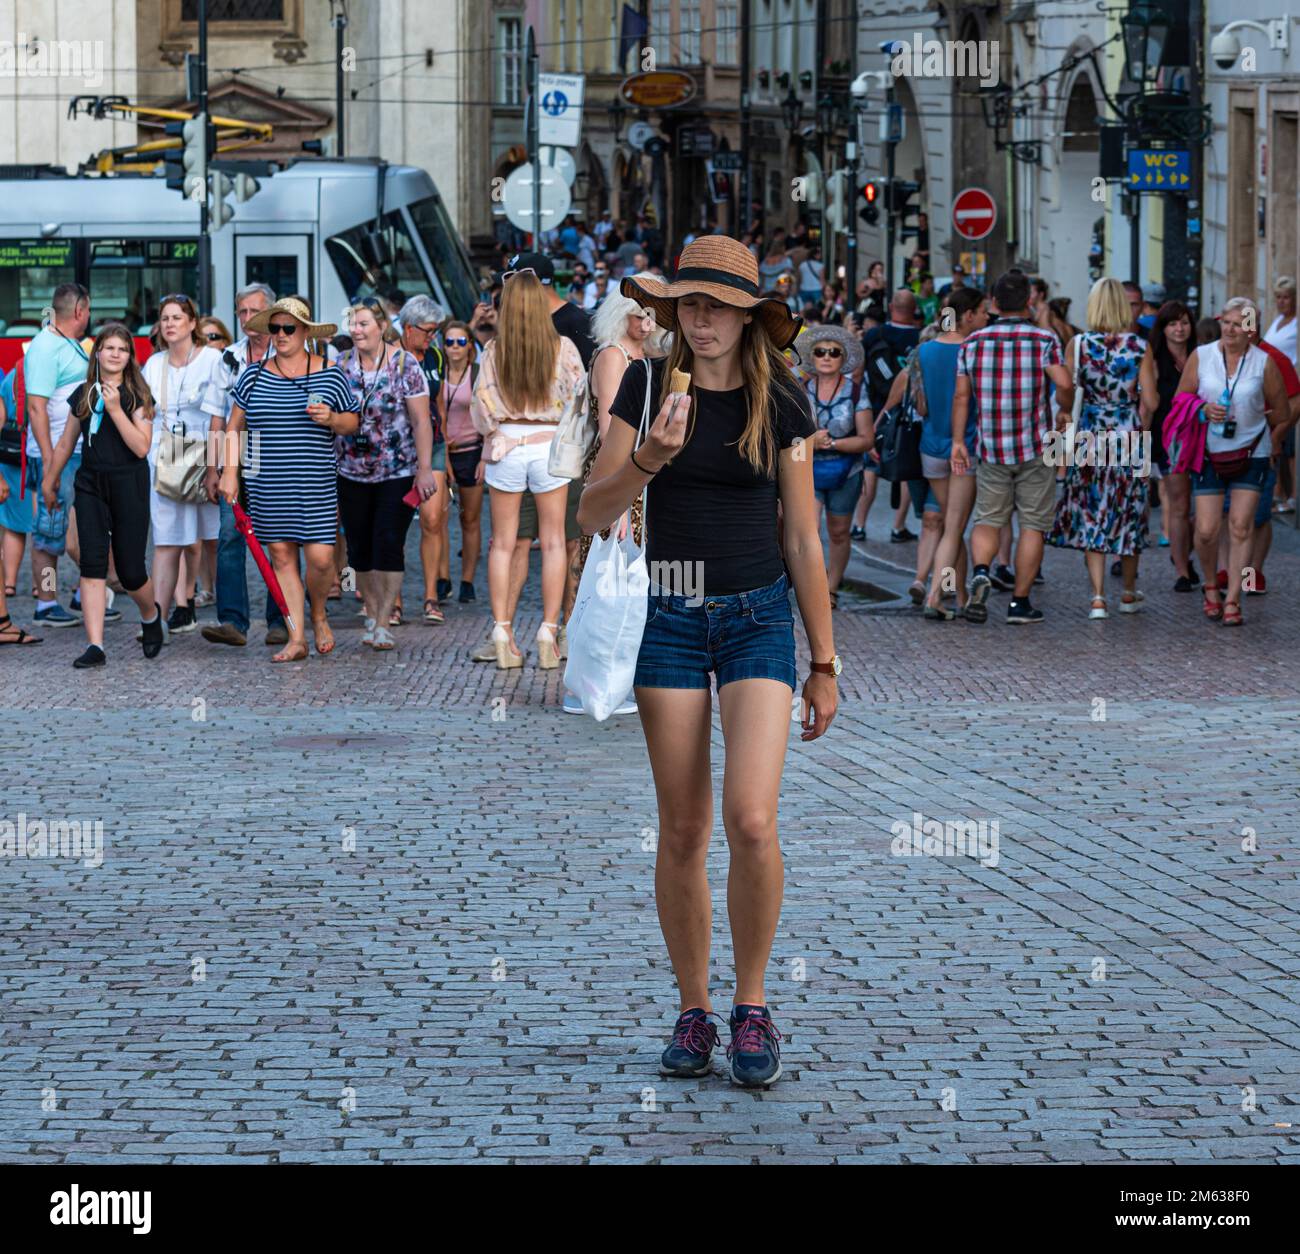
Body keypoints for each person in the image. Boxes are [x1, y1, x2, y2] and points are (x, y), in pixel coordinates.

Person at [578, 235, 838, 1088]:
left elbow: (803, 534)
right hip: (670, 617)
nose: (703, 318)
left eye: (719, 306)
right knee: (684, 828)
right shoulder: (648, 387)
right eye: (690, 303)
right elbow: (592, 509)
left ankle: (752, 1005)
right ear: (672, 312)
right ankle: (694, 1007)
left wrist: (825, 659)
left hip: (759, 614)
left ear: (748, 317)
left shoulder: (782, 400)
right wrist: (651, 454)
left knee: (752, 820)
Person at [219, 298, 358, 661]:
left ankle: (318, 613)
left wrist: (331, 418)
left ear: (306, 333)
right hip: (268, 480)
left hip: (315, 481)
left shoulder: (330, 372)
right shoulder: (253, 374)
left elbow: (353, 423)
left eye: (288, 329)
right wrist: (229, 473)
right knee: (281, 556)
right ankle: (296, 637)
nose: (280, 335)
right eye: (275, 328)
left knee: (322, 559)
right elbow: (235, 427)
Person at [470, 270, 585, 669]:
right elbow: (580, 401)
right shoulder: (564, 348)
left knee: (503, 543)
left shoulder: (494, 351)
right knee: (554, 542)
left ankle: (503, 631)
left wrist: (494, 433)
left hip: (506, 445)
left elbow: (480, 407)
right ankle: (548, 631)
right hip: (550, 446)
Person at [40, 323, 166, 666]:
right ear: (97, 353)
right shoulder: (83, 392)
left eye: (122, 349)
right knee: (92, 563)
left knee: (129, 569)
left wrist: (114, 410)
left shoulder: (139, 394)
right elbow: (66, 443)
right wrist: (50, 481)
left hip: (128, 483)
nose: (114, 354)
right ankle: (96, 645)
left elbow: (141, 447)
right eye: (108, 348)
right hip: (90, 483)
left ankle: (150, 615)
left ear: (129, 357)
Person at [953, 269, 1074, 624]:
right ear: (1029, 301)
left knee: (989, 519)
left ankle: (980, 570)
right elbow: (1064, 381)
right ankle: (1019, 603)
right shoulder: (1043, 339)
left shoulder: (972, 343)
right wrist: (1064, 407)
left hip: (991, 448)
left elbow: (962, 395)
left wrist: (959, 440)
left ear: (992, 302)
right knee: (1033, 525)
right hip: (1035, 446)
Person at [563, 291, 662, 714]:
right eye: (640, 315)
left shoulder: (649, 356)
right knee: (606, 575)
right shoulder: (613, 356)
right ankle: (593, 679)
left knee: (632, 576)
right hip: (620, 473)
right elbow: (609, 429)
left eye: (653, 316)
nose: (648, 324)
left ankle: (622, 673)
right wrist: (622, 493)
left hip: (642, 473)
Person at [1176, 297, 1289, 626]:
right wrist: (1202, 409)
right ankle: (1212, 586)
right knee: (1208, 529)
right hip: (1209, 452)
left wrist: (1256, 417)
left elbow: (1282, 411)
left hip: (1252, 452)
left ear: (1251, 329)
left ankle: (1234, 599)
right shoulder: (1203, 356)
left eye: (1238, 323)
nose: (1229, 328)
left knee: (1241, 525)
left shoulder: (1264, 363)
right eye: (1225, 321)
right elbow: (1181, 397)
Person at [335, 302, 437, 649]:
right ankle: (371, 608)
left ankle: (383, 620)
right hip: (350, 470)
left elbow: (422, 421)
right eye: (353, 324)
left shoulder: (404, 364)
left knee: (388, 541)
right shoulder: (341, 365)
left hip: (397, 469)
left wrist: (425, 468)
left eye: (363, 323)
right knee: (359, 550)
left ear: (381, 326)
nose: (357, 330)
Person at [1046, 278, 1151, 618]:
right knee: (1128, 511)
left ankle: (1097, 598)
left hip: (1090, 431)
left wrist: (1065, 414)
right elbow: (1151, 399)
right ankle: (1129, 593)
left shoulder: (1078, 345)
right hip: (1128, 434)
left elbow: (1066, 391)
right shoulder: (1139, 346)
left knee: (1092, 509)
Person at [201, 283, 290, 648]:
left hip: (278, 456)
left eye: (255, 310)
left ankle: (281, 619)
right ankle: (233, 621)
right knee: (228, 534)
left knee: (279, 539)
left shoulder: (286, 350)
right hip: (235, 458)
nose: (248, 318)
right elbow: (217, 419)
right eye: (241, 312)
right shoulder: (229, 358)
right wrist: (212, 468)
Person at [139, 294, 225, 637]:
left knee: (213, 537)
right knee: (167, 539)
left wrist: (218, 466)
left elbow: (223, 413)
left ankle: (228, 611)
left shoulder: (213, 359)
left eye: (177, 317)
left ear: (193, 323)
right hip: (165, 459)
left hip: (206, 456)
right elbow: (144, 413)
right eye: (165, 318)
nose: (170, 323)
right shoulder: (154, 364)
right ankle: (159, 618)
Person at [918, 286, 989, 619]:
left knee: (951, 524)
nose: (988, 317)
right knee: (954, 527)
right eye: (983, 311)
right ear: (969, 315)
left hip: (931, 445)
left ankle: (958, 596)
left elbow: (920, 403)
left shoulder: (925, 350)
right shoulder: (974, 349)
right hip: (965, 445)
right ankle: (935, 595)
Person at [26, 282, 92, 628]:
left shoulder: (69, 344)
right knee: (49, 535)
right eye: (89, 310)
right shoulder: (45, 347)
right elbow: (36, 409)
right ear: (79, 311)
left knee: (85, 530)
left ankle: (85, 595)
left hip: (77, 453)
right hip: (56, 456)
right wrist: (51, 463)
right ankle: (46, 603)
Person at [798, 325, 873, 606]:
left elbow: (866, 439)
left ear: (843, 358)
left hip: (847, 472)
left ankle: (831, 587)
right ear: (813, 358)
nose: (826, 357)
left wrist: (831, 444)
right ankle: (814, 588)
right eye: (820, 352)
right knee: (810, 529)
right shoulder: (801, 390)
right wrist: (811, 442)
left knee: (839, 531)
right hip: (808, 472)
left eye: (833, 352)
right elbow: (790, 433)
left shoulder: (856, 391)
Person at [396, 296, 451, 622]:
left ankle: (431, 597)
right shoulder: (392, 356)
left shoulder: (435, 357)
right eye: (428, 331)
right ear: (407, 327)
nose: (433, 336)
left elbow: (439, 403)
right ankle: (395, 599)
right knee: (396, 526)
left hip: (435, 444)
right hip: (400, 447)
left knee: (433, 520)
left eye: (436, 331)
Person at [1139, 301, 1197, 589]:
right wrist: (1141, 440)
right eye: (1173, 323)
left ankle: (1185, 553)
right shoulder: (1154, 359)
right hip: (1169, 438)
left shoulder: (1203, 356)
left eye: (1184, 322)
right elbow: (1147, 405)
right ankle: (1182, 572)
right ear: (1163, 329)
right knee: (1179, 505)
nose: (1179, 328)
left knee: (1206, 510)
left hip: (1202, 437)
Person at [436, 320, 484, 608]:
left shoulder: (477, 374)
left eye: (461, 342)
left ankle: (467, 581)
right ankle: (442, 579)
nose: (455, 347)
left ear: (469, 346)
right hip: (442, 453)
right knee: (438, 518)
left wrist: (485, 458)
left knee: (469, 519)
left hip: (471, 452)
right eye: (450, 342)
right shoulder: (436, 373)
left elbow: (490, 417)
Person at [1264, 276, 1297, 514]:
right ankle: (1280, 493)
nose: (1282, 302)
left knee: (1288, 444)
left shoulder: (1296, 323)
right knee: (1280, 445)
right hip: (1276, 390)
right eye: (1278, 297)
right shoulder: (1277, 321)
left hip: (1292, 390)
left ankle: (1291, 496)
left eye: (1286, 297)